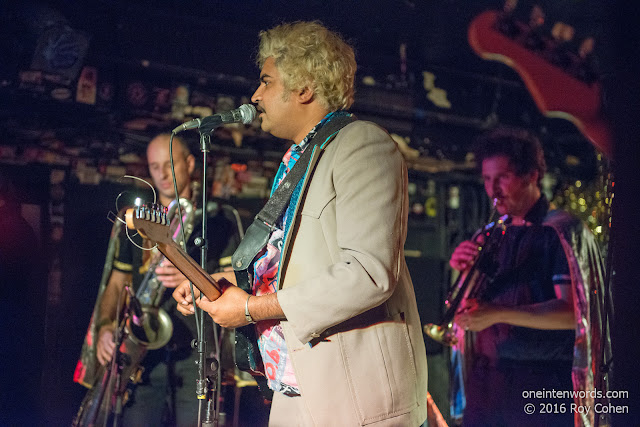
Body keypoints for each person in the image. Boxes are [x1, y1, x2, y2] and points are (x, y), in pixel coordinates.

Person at [173, 21, 429, 426]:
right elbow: (293, 265)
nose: (255, 95)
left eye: (266, 81)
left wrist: (253, 308)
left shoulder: (363, 144)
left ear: (304, 88)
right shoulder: (300, 158)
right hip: (296, 385)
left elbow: (368, 273)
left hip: (353, 396)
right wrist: (229, 285)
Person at [74, 133, 242, 426]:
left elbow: (239, 285)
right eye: (154, 166)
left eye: (170, 164)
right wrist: (105, 327)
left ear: (190, 163)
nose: (162, 174)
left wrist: (191, 274)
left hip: (196, 353)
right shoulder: (136, 219)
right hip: (143, 353)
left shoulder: (221, 218)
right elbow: (116, 283)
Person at [448, 128, 608, 427]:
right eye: (486, 179)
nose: (493, 189)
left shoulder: (561, 231)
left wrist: (496, 314)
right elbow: (467, 304)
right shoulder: (490, 234)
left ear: (531, 176)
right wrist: (462, 271)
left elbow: (574, 314)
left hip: (540, 384)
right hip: (487, 383)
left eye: (502, 177)